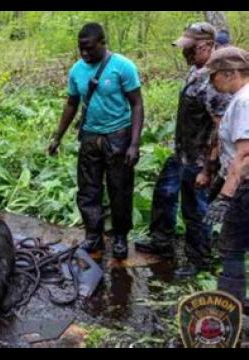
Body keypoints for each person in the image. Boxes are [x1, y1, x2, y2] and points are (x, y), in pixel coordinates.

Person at [134, 22, 232, 276]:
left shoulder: (216, 82)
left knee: (196, 210)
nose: (185, 53)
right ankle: (162, 242)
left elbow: (221, 130)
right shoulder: (196, 71)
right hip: (182, 152)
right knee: (164, 195)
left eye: (191, 48)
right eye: (185, 47)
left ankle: (199, 260)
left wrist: (209, 169)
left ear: (209, 46)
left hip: (200, 159)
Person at [47, 23, 144, 260]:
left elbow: (137, 104)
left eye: (89, 48)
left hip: (118, 136)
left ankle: (120, 237)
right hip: (90, 136)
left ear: (102, 42)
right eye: (81, 49)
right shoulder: (77, 70)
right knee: (88, 190)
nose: (84, 54)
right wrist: (57, 136)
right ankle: (93, 235)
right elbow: (71, 103)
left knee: (119, 190)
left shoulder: (123, 67)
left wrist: (133, 143)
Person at [201, 46, 249, 311]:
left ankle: (231, 310)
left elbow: (245, 156)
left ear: (231, 73)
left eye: (214, 75)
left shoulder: (244, 101)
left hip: (245, 187)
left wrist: (225, 196)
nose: (212, 82)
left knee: (230, 246)